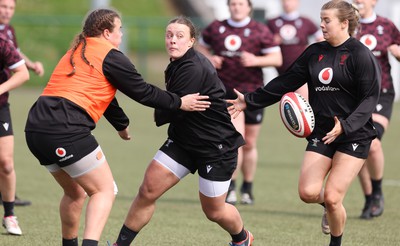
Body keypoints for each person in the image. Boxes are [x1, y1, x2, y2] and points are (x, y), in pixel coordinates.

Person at [24, 9, 210, 246]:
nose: (121, 34)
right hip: (65, 128)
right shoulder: (111, 55)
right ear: (106, 32)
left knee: (74, 192)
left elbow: (106, 92)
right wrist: (179, 102)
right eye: (119, 29)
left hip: (35, 128)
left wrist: (121, 125)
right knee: (104, 190)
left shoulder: (76, 51)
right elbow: (142, 91)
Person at [227, 1, 380, 245]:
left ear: (344, 23)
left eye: (327, 20)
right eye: (321, 19)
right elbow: (286, 81)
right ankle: (328, 207)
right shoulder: (314, 52)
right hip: (321, 132)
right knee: (308, 193)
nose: (321, 24)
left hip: (354, 135)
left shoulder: (360, 54)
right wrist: (250, 101)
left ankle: (335, 240)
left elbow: (370, 98)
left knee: (332, 197)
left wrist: (347, 125)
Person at [112, 16, 253, 246]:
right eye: (169, 35)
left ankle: (242, 238)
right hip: (182, 142)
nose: (173, 41)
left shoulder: (193, 67)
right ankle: (121, 244)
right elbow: (176, 103)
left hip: (214, 147)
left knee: (214, 211)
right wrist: (171, 104)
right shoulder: (177, 63)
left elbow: (171, 108)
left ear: (191, 41)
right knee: (148, 190)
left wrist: (162, 109)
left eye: (179, 36)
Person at [196, 0, 282, 205]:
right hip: (224, 93)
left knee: (250, 143)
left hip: (253, 93)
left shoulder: (259, 30)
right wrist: (210, 58)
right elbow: (199, 47)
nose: (236, 7)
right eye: (233, 3)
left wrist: (256, 60)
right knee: (237, 139)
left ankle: (247, 187)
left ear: (249, 7)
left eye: (240, 3)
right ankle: (231, 187)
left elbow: (276, 59)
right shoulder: (217, 28)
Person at [353, 0, 400, 220]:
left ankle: (378, 191)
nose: (358, 1)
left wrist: (397, 52)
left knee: (372, 142)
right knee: (359, 149)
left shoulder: (386, 25)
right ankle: (369, 198)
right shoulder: (348, 25)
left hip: (382, 93)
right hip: (354, 97)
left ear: (374, 1)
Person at [0, 0, 45, 207]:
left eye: (10, 8)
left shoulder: (8, 31)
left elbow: (15, 54)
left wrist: (31, 64)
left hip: (2, 100)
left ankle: (8, 199)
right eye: (3, 6)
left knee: (6, 160)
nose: (7, 11)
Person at [0, 31, 30, 235]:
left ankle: (9, 215)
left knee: (6, 164)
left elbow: (23, 73)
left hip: (0, 108)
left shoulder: (2, 43)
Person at [267, 0, 323, 99]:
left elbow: (321, 39)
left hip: (300, 71)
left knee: (302, 104)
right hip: (282, 72)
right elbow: (264, 43)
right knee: (287, 107)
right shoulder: (272, 22)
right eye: (284, 0)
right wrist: (272, 41)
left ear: (297, 2)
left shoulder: (305, 21)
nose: (287, 3)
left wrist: (311, 48)